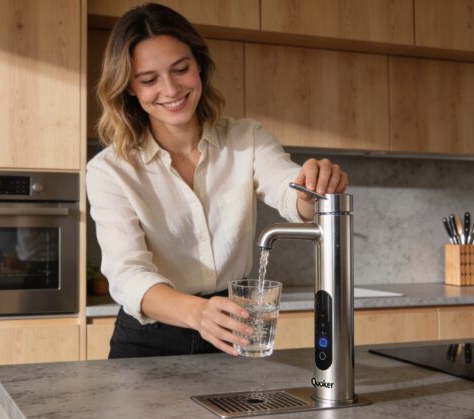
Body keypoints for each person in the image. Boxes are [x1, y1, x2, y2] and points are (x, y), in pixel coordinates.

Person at [87, 3, 348, 359]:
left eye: (181, 69)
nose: (170, 89)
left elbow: (290, 190)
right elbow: (127, 274)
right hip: (149, 338)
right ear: (129, 88)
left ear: (199, 66)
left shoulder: (247, 139)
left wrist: (313, 184)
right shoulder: (110, 170)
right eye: (149, 80)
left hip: (231, 328)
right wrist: (197, 313)